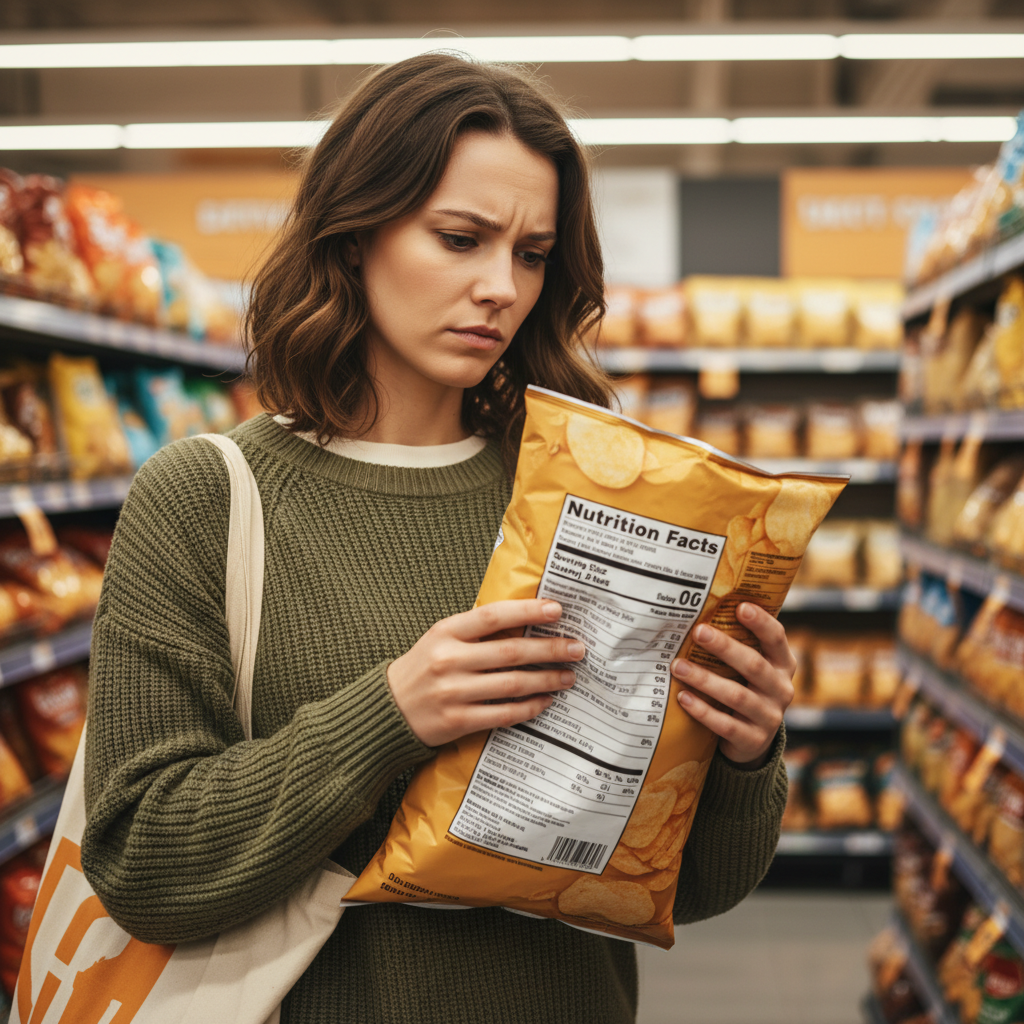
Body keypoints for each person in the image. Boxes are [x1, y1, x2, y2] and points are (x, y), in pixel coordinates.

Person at [81, 53, 793, 1024]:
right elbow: (142, 864)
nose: (499, 286)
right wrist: (390, 713)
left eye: (533, 253)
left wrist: (745, 752)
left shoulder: (591, 497)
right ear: (353, 232)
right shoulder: (209, 496)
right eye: (459, 238)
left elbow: (692, 889)